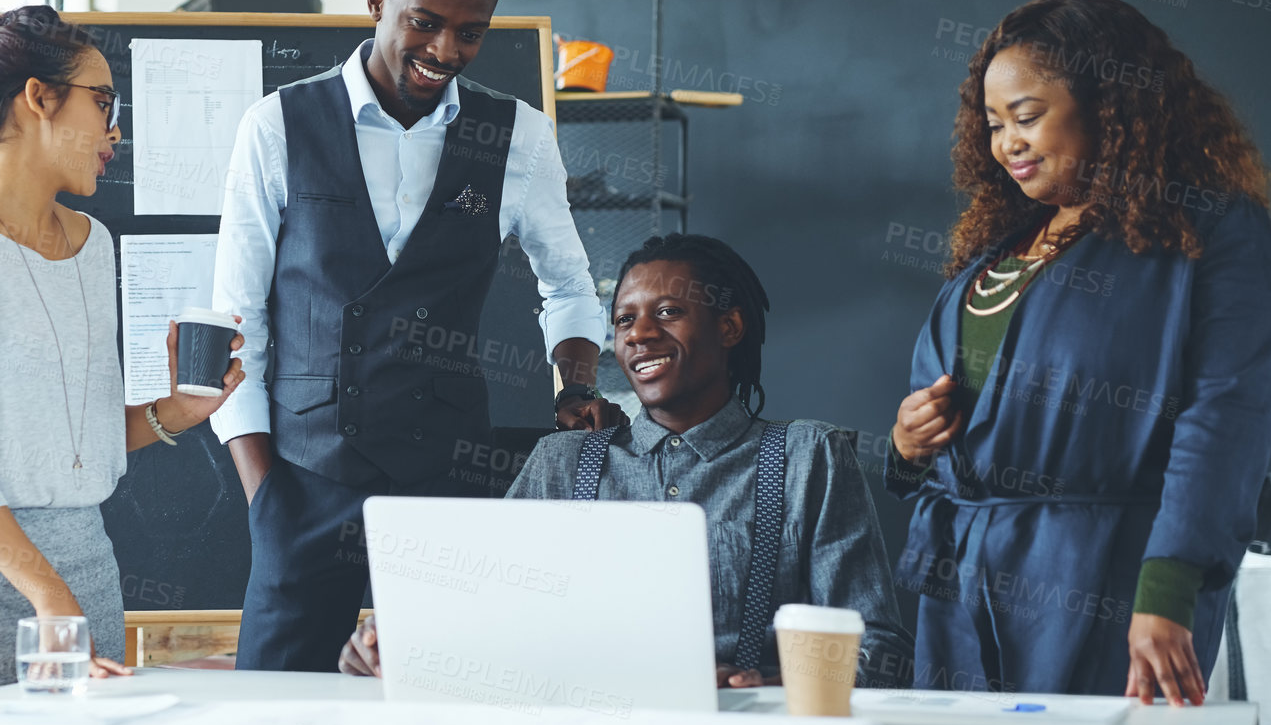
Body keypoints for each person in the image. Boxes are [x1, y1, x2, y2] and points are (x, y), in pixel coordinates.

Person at [212, 0, 619, 673]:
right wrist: (266, 496)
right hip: (305, 483)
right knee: (275, 714)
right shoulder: (278, 125)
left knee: (450, 705)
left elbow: (568, 286)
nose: (445, 50)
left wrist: (574, 385)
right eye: (424, 23)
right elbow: (239, 325)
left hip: (451, 481)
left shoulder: (518, 138)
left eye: (471, 32)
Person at [885, 0, 1271, 704]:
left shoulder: (1206, 234)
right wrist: (907, 444)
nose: (1007, 141)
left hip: (1103, 579)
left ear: (1108, 104)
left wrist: (1166, 592)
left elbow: (1226, 419)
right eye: (992, 124)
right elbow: (966, 411)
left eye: (1027, 115)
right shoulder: (999, 249)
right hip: (957, 583)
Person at [340, 234, 913, 688]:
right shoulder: (559, 464)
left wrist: (768, 682)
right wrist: (399, 642)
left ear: (729, 327)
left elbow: (881, 654)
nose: (639, 334)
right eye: (622, 320)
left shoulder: (806, 457)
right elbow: (492, 624)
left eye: (667, 312)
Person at [0, 6, 244, 700]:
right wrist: (50, 600)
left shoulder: (92, 241)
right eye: (102, 102)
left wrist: (176, 411)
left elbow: (81, 444)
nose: (115, 131)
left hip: (88, 571)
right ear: (38, 98)